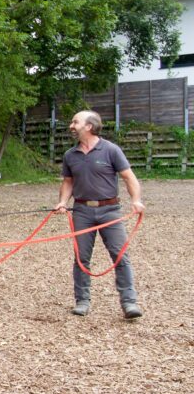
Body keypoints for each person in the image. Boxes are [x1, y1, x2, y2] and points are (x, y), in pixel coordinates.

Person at [53, 110, 145, 319]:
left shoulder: (111, 150)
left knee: (120, 256)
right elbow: (68, 182)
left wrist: (136, 200)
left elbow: (129, 178)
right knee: (81, 258)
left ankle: (129, 302)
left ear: (89, 126)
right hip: (82, 211)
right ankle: (82, 301)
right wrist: (62, 202)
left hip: (110, 211)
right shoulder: (70, 155)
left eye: (75, 122)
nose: (71, 126)